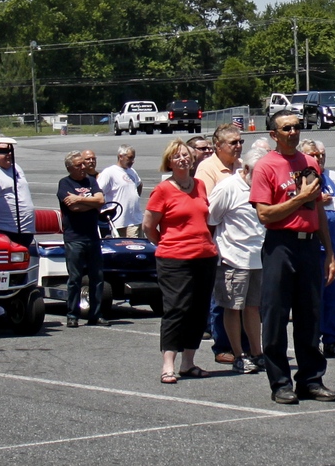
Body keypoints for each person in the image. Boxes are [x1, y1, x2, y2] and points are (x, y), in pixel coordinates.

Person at [250, 109, 335, 404]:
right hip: (281, 245)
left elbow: (318, 210)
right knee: (275, 316)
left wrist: (329, 253)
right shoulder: (265, 166)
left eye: (296, 127)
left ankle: (311, 380)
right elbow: (265, 214)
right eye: (286, 128)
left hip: (309, 245)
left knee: (310, 315)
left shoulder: (309, 163)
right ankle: (280, 383)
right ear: (274, 135)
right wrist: (299, 198)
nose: (293, 133)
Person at [145, 140, 218, 383]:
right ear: (169, 162)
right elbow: (149, 226)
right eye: (177, 156)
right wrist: (168, 243)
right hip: (174, 259)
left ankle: (188, 362)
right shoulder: (163, 190)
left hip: (204, 256)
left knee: (199, 310)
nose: (183, 159)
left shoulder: (199, 185)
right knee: (176, 309)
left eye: (186, 155)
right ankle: (168, 364)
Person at [208, 138, 269, 373]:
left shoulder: (263, 187)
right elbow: (211, 219)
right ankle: (238, 355)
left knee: (253, 307)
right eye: (259, 173)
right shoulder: (228, 188)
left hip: (258, 258)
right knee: (233, 307)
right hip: (233, 258)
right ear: (246, 169)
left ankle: (257, 352)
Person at [301, 138, 335, 359]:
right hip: (311, 249)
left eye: (321, 155)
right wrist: (312, 201)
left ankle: (332, 340)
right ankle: (311, 342)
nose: (318, 158)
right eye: (313, 155)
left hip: (332, 248)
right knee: (313, 300)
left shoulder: (331, 180)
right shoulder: (300, 180)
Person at [57, 149, 106, 327]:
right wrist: (90, 203)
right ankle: (72, 314)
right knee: (75, 278)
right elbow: (73, 208)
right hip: (74, 238)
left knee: (97, 277)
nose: (83, 167)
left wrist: (78, 199)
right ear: (70, 168)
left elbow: (101, 200)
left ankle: (96, 314)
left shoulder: (91, 181)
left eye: (84, 164)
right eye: (79, 165)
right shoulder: (65, 183)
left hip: (92, 236)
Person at [98, 146, 144, 237]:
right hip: (120, 221)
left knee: (139, 243)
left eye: (133, 158)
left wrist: (135, 197)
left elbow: (139, 184)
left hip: (136, 219)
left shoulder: (132, 171)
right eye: (130, 158)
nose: (133, 161)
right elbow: (99, 191)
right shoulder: (109, 172)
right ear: (121, 156)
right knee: (128, 244)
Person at [196, 125, 243, 193]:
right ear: (218, 146)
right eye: (233, 143)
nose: (239, 146)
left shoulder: (242, 165)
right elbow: (206, 198)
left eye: (240, 142)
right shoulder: (206, 168)